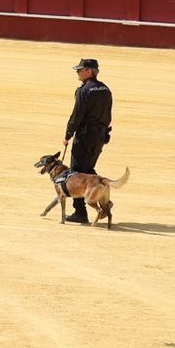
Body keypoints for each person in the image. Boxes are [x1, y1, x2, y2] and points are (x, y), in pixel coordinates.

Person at [63, 58, 113, 224]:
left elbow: (77, 116)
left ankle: (80, 212)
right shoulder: (105, 89)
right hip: (99, 137)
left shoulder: (84, 90)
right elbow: (107, 114)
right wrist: (104, 134)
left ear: (90, 71)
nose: (78, 72)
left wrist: (68, 134)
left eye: (81, 69)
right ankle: (104, 201)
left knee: (76, 173)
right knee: (88, 168)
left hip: (85, 136)